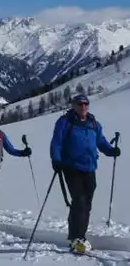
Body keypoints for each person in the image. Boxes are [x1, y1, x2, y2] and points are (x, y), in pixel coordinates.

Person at [50, 94, 121, 253]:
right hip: (71, 167)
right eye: (79, 104)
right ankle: (77, 238)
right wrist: (56, 159)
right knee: (79, 201)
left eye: (85, 104)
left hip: (90, 168)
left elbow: (101, 142)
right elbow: (56, 142)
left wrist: (111, 151)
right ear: (73, 105)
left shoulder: (93, 123)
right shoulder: (65, 122)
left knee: (86, 204)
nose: (83, 107)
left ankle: (78, 235)